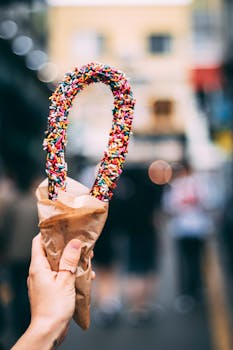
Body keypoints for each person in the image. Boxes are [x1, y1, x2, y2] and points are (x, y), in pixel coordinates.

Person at [11, 233, 83, 350]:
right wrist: (48, 322)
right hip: (29, 256)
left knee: (20, 289)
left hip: (15, 256)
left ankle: (20, 322)